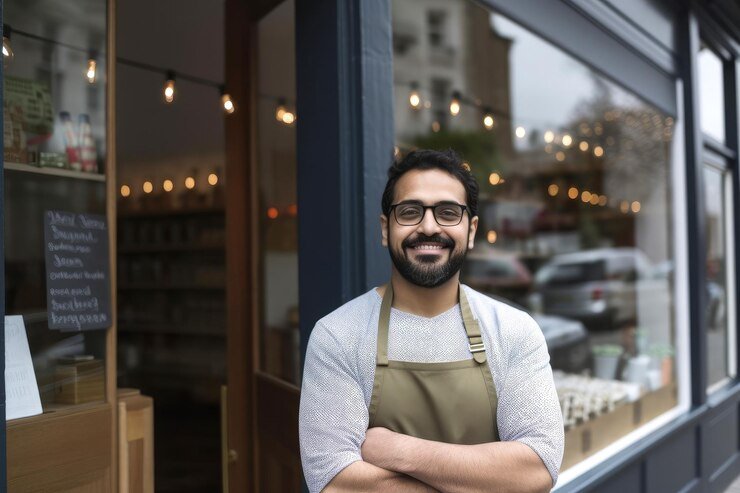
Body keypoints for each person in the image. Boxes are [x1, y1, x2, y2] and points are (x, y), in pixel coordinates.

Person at [299, 149, 563, 493]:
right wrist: (487, 481)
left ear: (470, 230)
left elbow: (537, 468)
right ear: (385, 228)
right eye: (410, 212)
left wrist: (400, 451)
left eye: (447, 213)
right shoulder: (337, 335)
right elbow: (335, 482)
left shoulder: (514, 331)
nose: (428, 227)